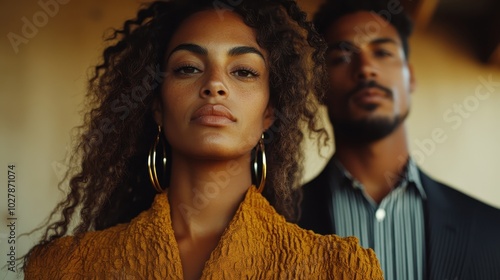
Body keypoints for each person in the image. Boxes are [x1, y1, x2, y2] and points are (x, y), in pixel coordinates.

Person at [23, 0, 383, 279]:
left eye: (243, 71)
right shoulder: (63, 267)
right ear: (157, 107)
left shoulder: (341, 269)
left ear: (269, 114)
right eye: (188, 68)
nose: (214, 84)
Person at [299, 0, 500, 279]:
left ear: (410, 78)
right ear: (319, 86)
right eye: (343, 56)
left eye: (382, 52)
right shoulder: (274, 222)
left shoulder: (492, 230)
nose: (366, 68)